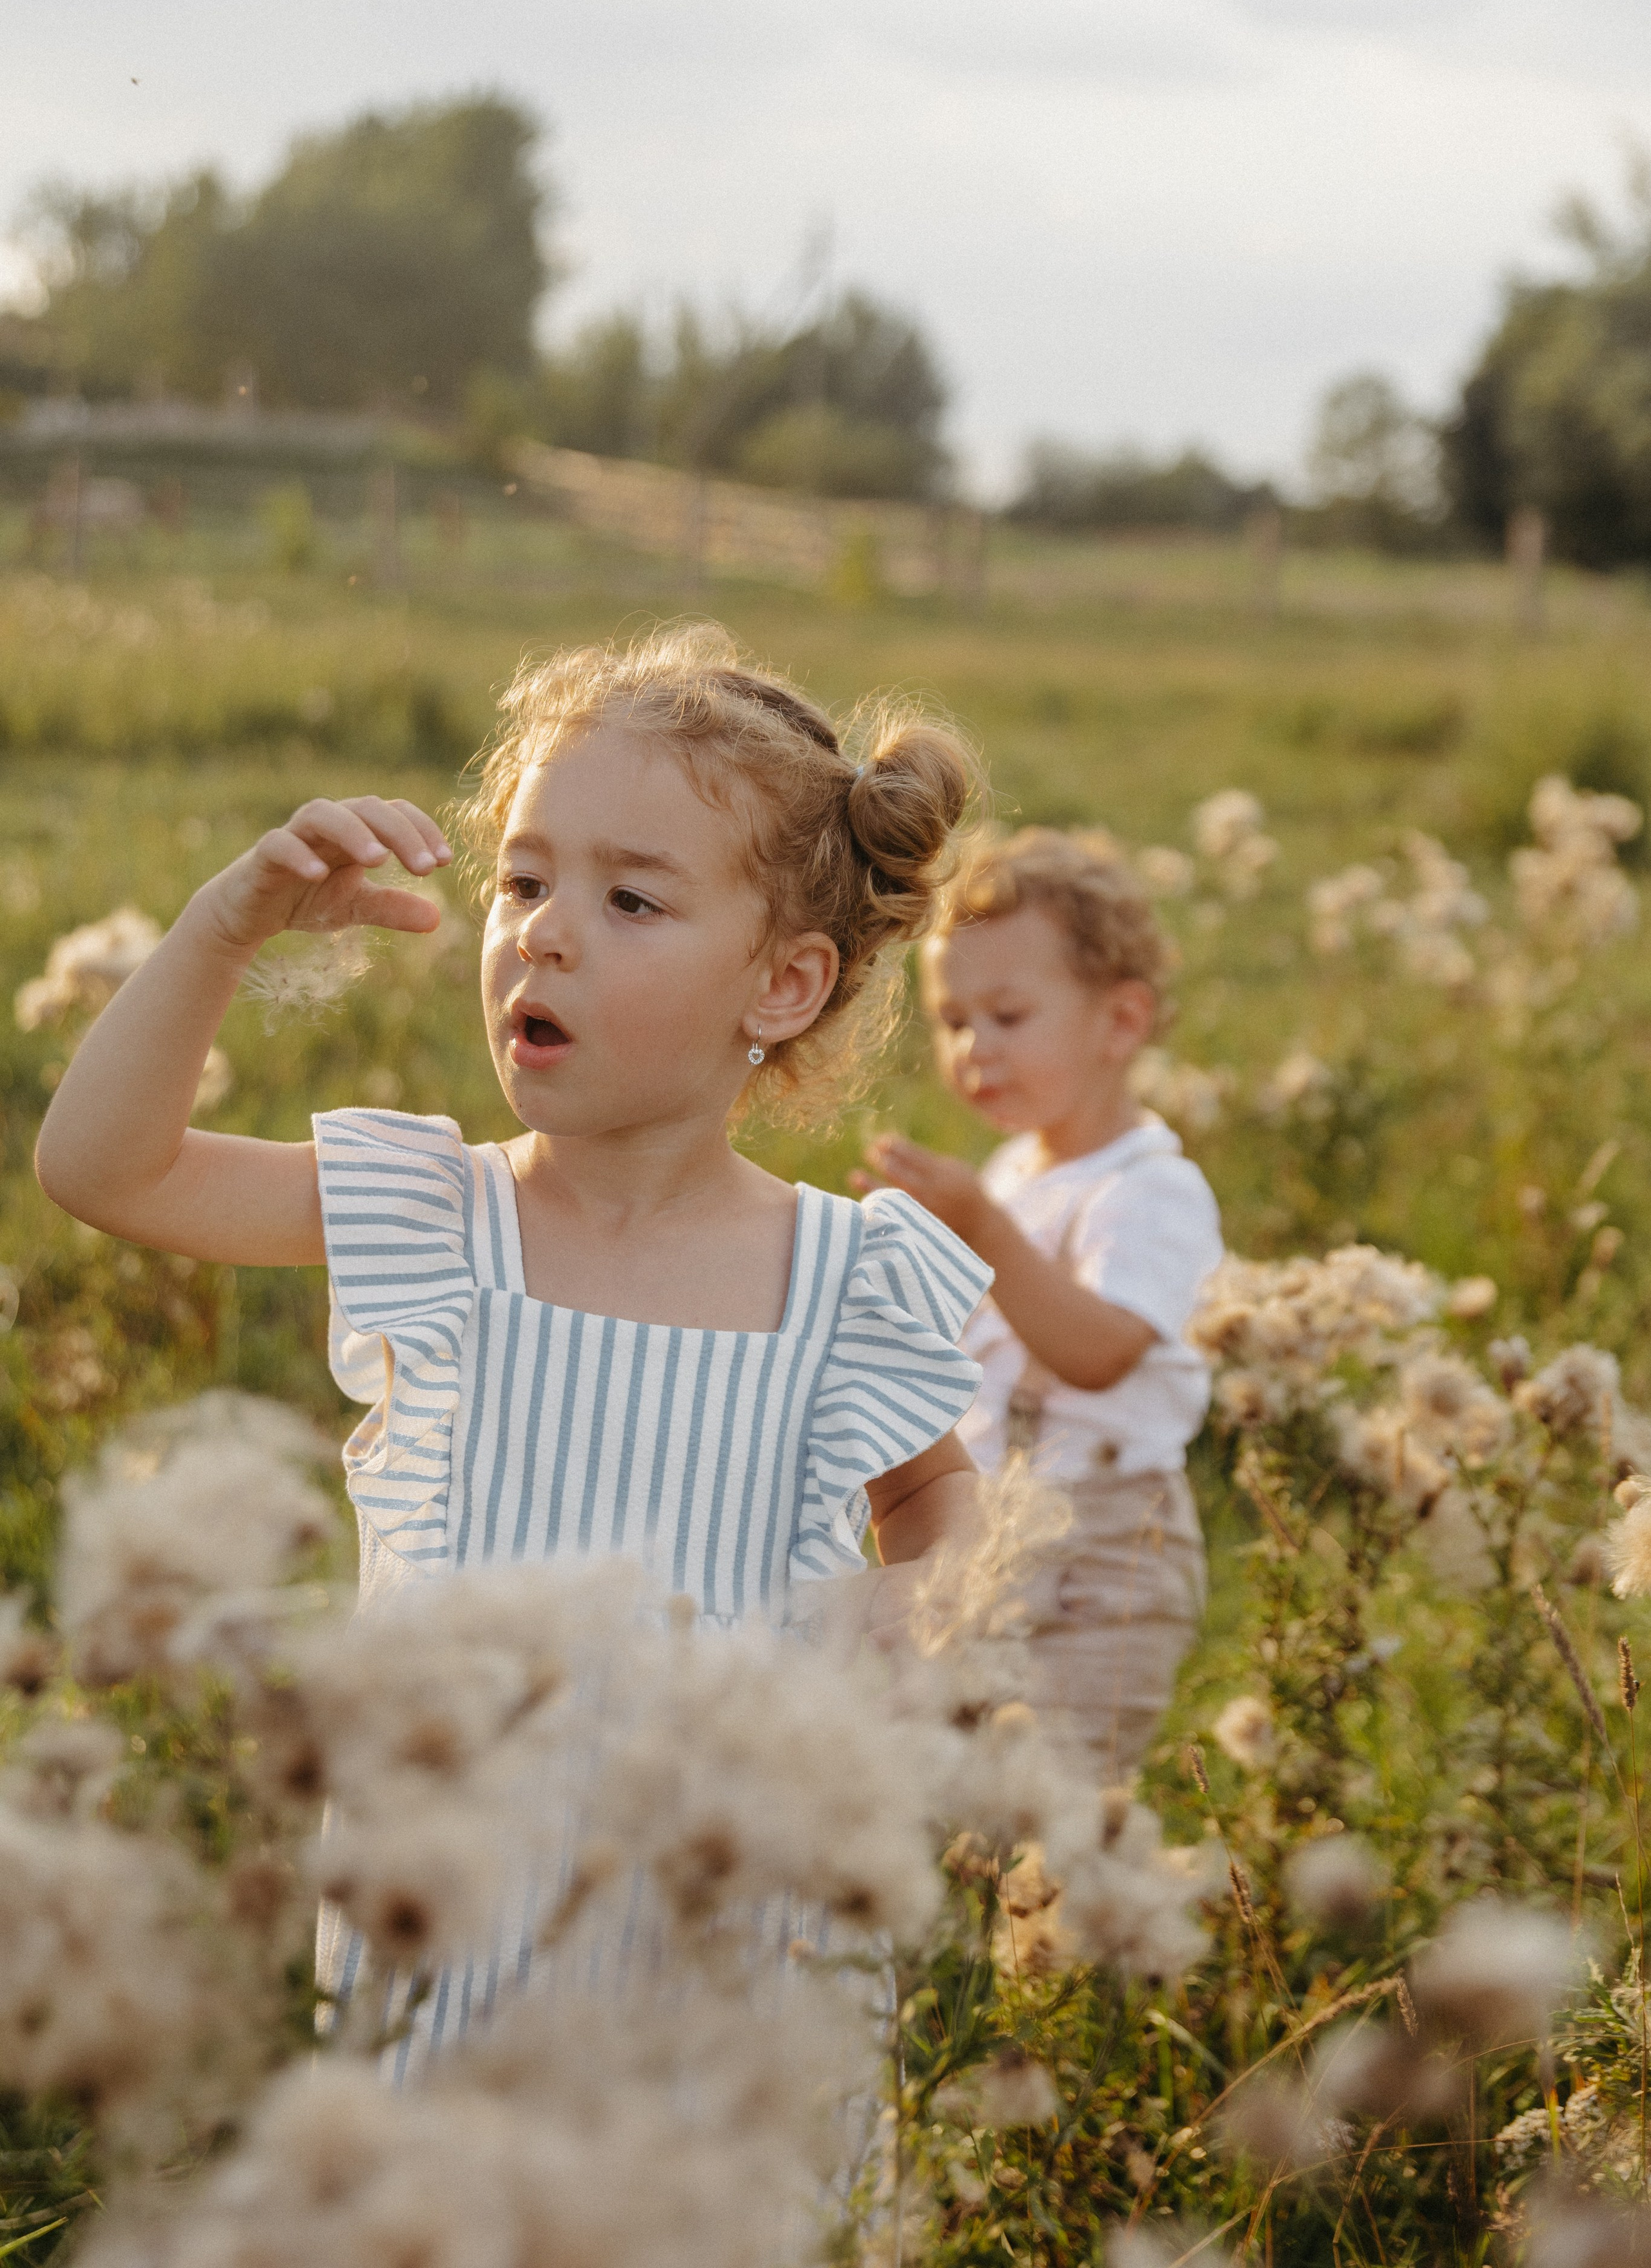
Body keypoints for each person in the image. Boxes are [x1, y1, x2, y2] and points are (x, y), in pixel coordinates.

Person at [34, 620, 990, 2048]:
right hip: (449, 1943)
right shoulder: (431, 1217)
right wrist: (223, 926)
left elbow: (930, 1500)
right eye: (525, 880)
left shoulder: (841, 1278)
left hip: (734, 1946)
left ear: (781, 985)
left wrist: (923, 1616)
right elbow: (104, 1170)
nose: (541, 929)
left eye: (632, 903)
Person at [862, 827, 1222, 1786]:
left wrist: (982, 1230)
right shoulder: (1018, 1172)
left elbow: (1098, 1351)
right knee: (962, 1781)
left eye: (1009, 1015)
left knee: (1061, 1798)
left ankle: (1067, 1933)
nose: (974, 1048)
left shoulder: (1151, 1187)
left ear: (1120, 1022)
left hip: (1109, 1552)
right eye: (951, 1020)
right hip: (1004, 1526)